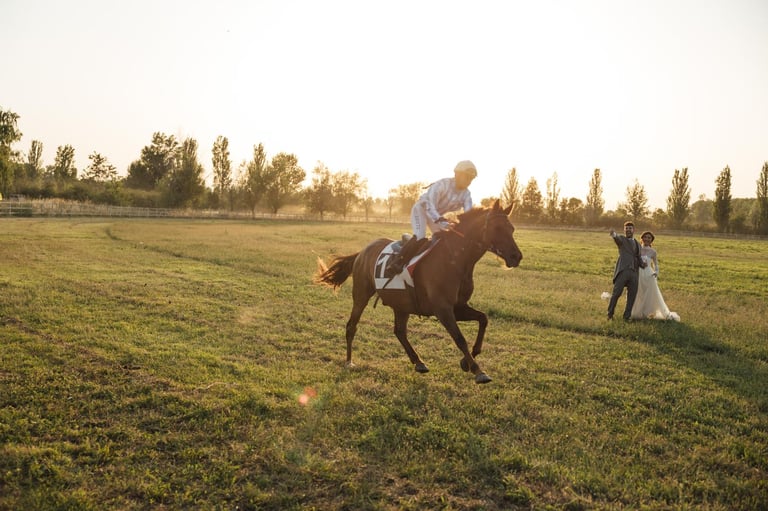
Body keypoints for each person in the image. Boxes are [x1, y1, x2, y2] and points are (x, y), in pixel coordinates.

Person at [386, 160, 477, 274]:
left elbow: (469, 215)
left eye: (471, 178)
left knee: (443, 239)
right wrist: (442, 222)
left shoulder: (466, 194)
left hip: (437, 216)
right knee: (420, 236)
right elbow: (429, 205)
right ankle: (397, 262)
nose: (469, 181)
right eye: (467, 177)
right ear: (457, 174)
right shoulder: (442, 185)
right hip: (422, 210)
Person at [631, 231, 681, 321]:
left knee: (649, 295)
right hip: (638, 274)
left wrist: (656, 272)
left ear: (651, 240)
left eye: (649, 238)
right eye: (645, 237)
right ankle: (636, 313)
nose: (647, 239)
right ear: (642, 238)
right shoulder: (637, 249)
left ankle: (646, 313)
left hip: (648, 275)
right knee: (638, 293)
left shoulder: (653, 251)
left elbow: (655, 264)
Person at [607, 221, 644, 321]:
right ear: (624, 230)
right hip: (623, 270)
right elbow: (617, 238)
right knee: (616, 293)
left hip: (634, 273)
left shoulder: (638, 244)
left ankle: (626, 317)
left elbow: (638, 257)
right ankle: (610, 314)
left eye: (630, 228)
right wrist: (613, 234)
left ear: (633, 230)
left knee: (632, 296)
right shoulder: (622, 240)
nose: (628, 230)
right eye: (626, 228)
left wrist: (643, 264)